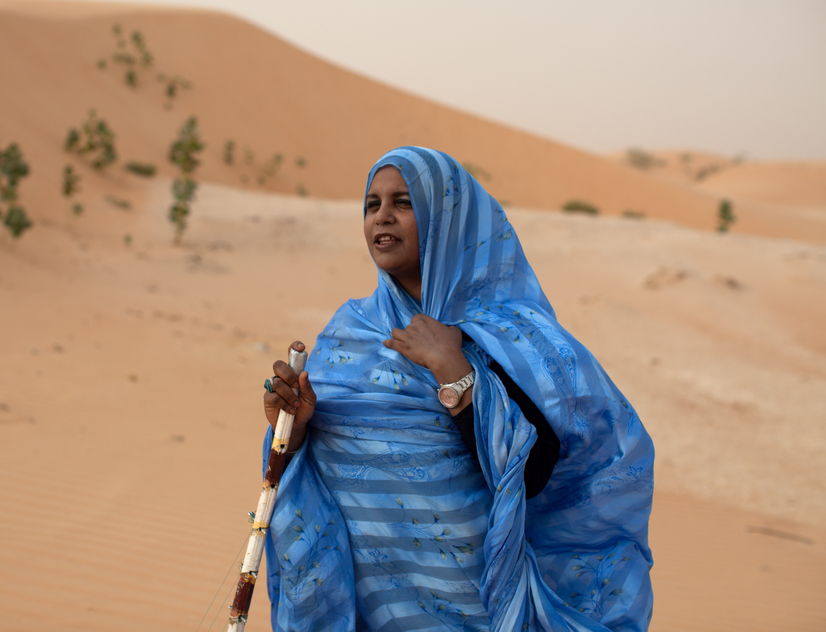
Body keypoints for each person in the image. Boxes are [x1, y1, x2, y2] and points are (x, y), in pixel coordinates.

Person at [261, 147, 654, 632]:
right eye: (372, 204)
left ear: (448, 218)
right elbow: (313, 470)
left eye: (403, 202)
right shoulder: (350, 331)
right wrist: (294, 428)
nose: (382, 216)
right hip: (373, 612)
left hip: (476, 605)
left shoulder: (509, 336)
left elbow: (535, 473)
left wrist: (453, 368)